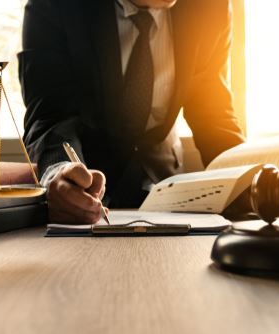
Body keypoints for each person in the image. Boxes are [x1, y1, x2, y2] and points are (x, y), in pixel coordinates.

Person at [18, 0, 245, 224]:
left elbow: (213, 115)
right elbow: (50, 115)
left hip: (168, 190)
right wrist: (60, 170)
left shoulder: (210, 6)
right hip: (89, 193)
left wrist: (248, 179)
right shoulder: (52, 6)